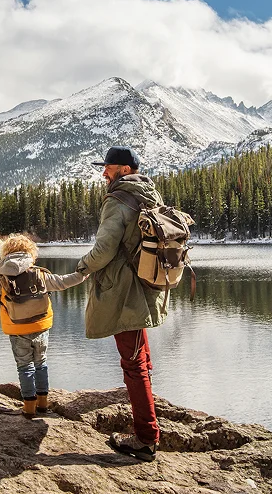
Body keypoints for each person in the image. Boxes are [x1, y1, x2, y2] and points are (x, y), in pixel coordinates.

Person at [76, 146, 166, 462]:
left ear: (124, 170)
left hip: (123, 292)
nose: (104, 173)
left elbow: (103, 251)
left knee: (133, 363)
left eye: (109, 167)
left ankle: (145, 438)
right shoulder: (150, 194)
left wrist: (82, 267)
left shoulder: (117, 201)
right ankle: (148, 412)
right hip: (147, 287)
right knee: (140, 356)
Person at [0, 234, 88, 418]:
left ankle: (29, 407)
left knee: (24, 366)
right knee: (41, 363)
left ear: (5, 254)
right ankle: (43, 404)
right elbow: (63, 281)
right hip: (41, 325)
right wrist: (82, 275)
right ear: (31, 254)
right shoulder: (41, 275)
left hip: (17, 329)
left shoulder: (3, 280)